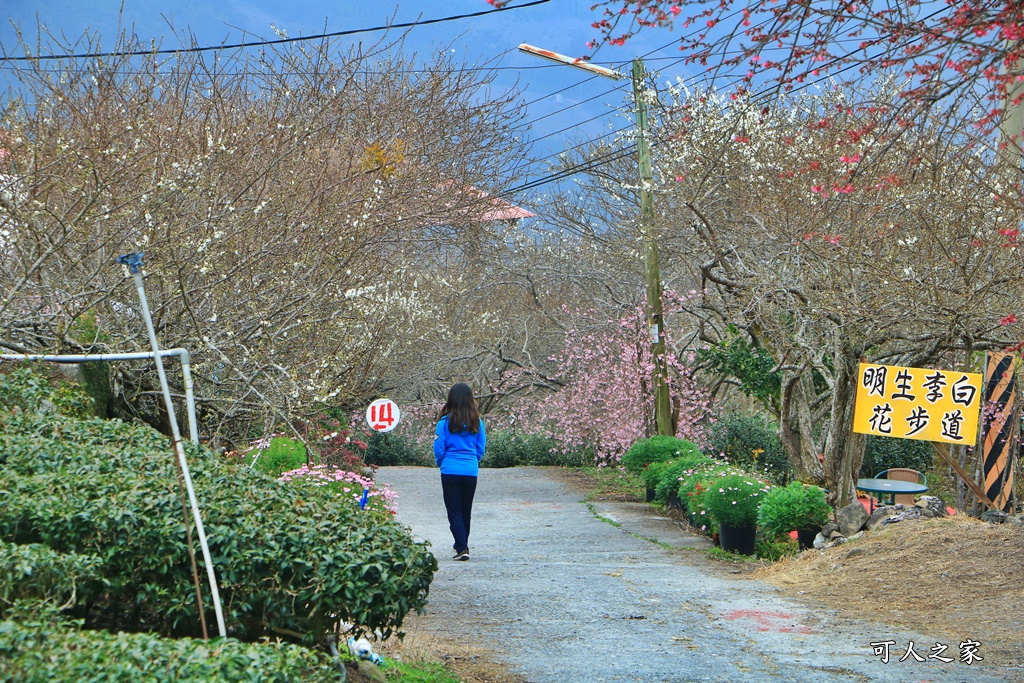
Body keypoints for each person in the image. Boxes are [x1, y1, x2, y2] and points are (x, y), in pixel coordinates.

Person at [433, 383, 486, 561]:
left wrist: (442, 463)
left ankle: (462, 547)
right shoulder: (477, 423)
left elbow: (439, 447)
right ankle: (462, 545)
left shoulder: (444, 422)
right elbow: (480, 448)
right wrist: (473, 461)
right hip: (470, 470)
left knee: (454, 511)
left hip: (450, 470)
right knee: (465, 510)